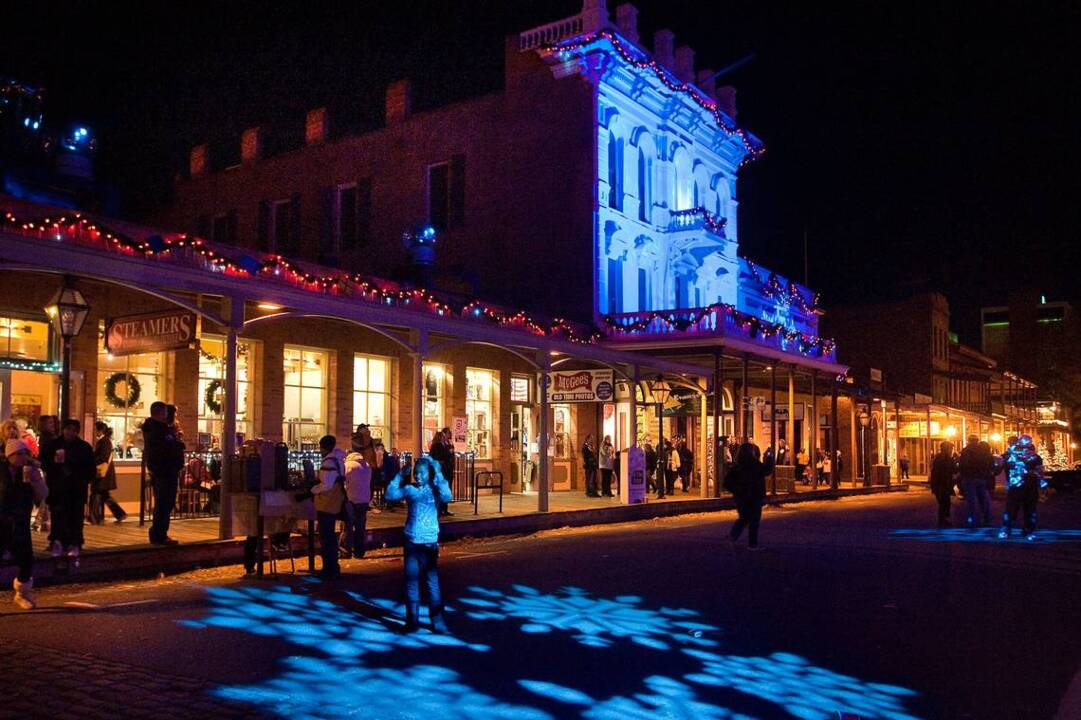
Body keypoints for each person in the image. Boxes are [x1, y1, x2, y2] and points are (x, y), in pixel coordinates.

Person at [385, 454, 453, 632]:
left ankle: (437, 620)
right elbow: (390, 494)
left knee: (432, 582)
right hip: (411, 541)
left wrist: (438, 472)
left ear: (428, 474)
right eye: (416, 472)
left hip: (429, 542)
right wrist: (400, 475)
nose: (418, 476)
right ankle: (412, 620)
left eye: (422, 472)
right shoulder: (410, 489)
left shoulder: (435, 490)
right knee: (411, 581)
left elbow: (448, 496)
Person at [2, 439, 48, 608]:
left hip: (21, 521)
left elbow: (43, 494)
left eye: (25, 453)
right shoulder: (2, 471)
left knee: (26, 559)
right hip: (2, 520)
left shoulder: (30, 471)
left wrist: (37, 480)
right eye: (19, 454)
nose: (23, 457)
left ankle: (22, 593)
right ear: (10, 456)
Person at [41, 419, 95, 558]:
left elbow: (90, 469)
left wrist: (78, 474)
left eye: (74, 430)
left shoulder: (84, 447)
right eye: (68, 429)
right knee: (58, 515)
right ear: (63, 430)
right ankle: (57, 541)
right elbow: (44, 463)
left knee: (75, 516)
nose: (70, 432)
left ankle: (74, 542)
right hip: (57, 487)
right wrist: (55, 463)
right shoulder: (53, 445)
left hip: (76, 488)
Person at [142, 401, 186, 545]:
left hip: (165, 470)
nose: (167, 415)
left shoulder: (159, 429)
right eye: (165, 412)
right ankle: (159, 534)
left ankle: (159, 533)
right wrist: (177, 443)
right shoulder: (158, 431)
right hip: (165, 471)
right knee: (164, 502)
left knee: (165, 502)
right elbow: (165, 449)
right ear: (161, 413)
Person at [724, 442, 775, 549]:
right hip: (755, 495)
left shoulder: (737, 466)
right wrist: (770, 458)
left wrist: (736, 490)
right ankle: (752, 543)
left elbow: (727, 483)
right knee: (754, 520)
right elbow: (766, 470)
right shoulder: (754, 464)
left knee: (744, 518)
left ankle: (733, 536)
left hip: (740, 497)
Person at [311, 435, 347, 579]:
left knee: (326, 537)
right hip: (336, 501)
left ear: (323, 447)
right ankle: (333, 567)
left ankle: (329, 568)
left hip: (327, 503)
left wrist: (313, 489)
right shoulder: (339, 461)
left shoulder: (328, 462)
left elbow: (326, 485)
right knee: (330, 536)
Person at [999, 435, 1046, 541]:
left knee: (1028, 509)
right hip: (1017, 485)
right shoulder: (1012, 455)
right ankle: (1008, 528)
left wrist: (1037, 477)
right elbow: (1004, 463)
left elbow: (1039, 471)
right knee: (1012, 509)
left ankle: (1026, 529)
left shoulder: (1035, 457)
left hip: (1027, 486)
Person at [90, 421, 127, 524]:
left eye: (95, 429)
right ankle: (120, 514)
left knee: (96, 492)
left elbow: (104, 457)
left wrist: (92, 460)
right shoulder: (104, 441)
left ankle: (94, 517)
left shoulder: (105, 441)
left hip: (103, 473)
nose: (94, 431)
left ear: (100, 430)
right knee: (104, 495)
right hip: (105, 473)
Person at [341, 442, 373, 559]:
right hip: (364, 499)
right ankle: (359, 551)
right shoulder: (367, 465)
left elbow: (344, 482)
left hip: (351, 499)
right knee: (360, 527)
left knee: (348, 526)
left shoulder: (348, 465)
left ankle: (345, 550)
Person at [958, 434, 993, 527]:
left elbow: (963, 465)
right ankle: (986, 518)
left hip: (969, 478)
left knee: (971, 500)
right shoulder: (982, 451)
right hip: (981, 478)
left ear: (969, 441)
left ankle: (973, 520)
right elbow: (988, 464)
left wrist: (961, 474)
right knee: (983, 499)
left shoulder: (966, 451)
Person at [929, 441, 957, 528]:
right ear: (947, 449)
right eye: (951, 448)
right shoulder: (947, 459)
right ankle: (943, 520)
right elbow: (954, 470)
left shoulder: (937, 458)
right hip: (943, 483)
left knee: (943, 502)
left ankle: (943, 520)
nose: (952, 450)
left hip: (938, 484)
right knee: (945, 502)